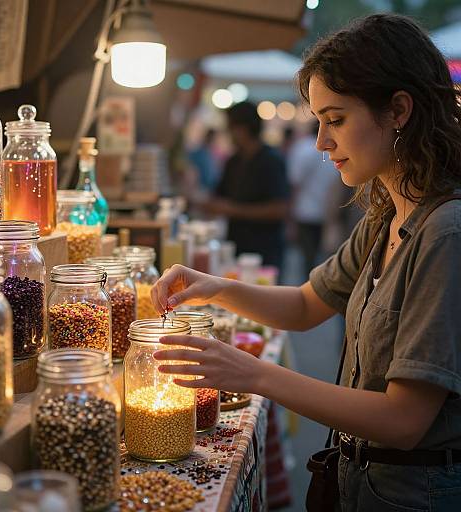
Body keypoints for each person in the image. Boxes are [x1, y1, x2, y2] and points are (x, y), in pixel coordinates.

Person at [151, 13, 461, 512]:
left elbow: (403, 422)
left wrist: (255, 375)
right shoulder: (388, 216)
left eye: (335, 120)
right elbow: (304, 305)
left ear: (398, 110)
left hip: (416, 494)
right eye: (319, 121)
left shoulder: (445, 232)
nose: (321, 141)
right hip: (362, 479)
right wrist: (213, 286)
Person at [201, 101, 289, 271]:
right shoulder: (234, 160)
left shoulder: (271, 160)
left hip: (265, 250)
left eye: (230, 128)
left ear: (243, 129)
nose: (228, 134)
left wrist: (232, 210)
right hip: (236, 246)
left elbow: (279, 209)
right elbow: (218, 197)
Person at [288, 120, 338, 277]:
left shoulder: (302, 148)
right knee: (329, 260)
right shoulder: (335, 148)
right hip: (331, 212)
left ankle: (308, 291)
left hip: (306, 212)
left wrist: (290, 216)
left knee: (307, 259)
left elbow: (295, 185)